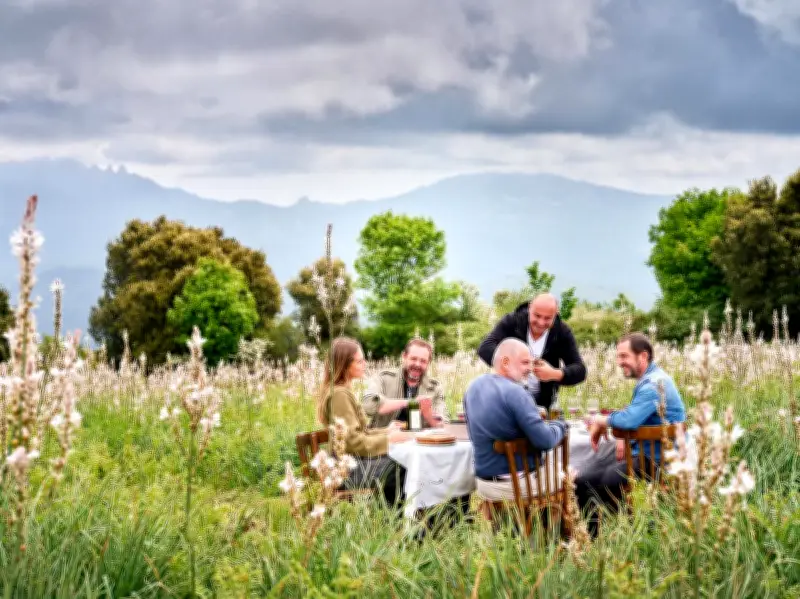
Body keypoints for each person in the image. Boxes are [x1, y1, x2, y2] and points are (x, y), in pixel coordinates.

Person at [576, 332, 686, 530]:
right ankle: (616, 528)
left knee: (586, 481)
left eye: (624, 356)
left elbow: (629, 420)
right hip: (654, 455)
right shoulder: (655, 379)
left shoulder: (653, 385)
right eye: (618, 356)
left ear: (643, 356)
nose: (619, 362)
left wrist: (601, 420)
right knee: (594, 470)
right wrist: (618, 431)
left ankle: (595, 538)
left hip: (656, 461)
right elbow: (633, 417)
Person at [464, 337, 568, 502]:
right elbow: (546, 441)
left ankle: (512, 524)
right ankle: (554, 527)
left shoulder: (473, 386)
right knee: (571, 475)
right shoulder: (516, 392)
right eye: (525, 363)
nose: (531, 369)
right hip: (515, 485)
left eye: (532, 363)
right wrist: (561, 425)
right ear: (505, 362)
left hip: (484, 484)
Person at [316, 337, 414, 508]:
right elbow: (352, 442)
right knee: (402, 465)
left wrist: (387, 431)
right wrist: (389, 440)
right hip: (347, 471)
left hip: (352, 464)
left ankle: (402, 518)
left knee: (404, 459)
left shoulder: (343, 391)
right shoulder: (339, 395)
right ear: (345, 364)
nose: (365, 364)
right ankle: (395, 522)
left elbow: (359, 432)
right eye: (360, 361)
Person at [478, 293, 586, 410]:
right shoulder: (512, 321)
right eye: (537, 316)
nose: (541, 322)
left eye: (548, 318)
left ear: (556, 314)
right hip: (507, 397)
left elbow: (580, 369)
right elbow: (485, 348)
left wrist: (554, 374)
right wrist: (514, 365)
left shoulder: (562, 332)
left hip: (543, 405)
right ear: (530, 308)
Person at [362, 338, 447, 429]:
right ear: (404, 357)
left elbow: (442, 426)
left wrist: (428, 413)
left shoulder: (435, 387)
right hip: (385, 440)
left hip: (420, 441)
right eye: (413, 359)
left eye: (423, 361)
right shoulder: (383, 378)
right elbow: (369, 406)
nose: (418, 364)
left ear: (428, 363)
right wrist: (411, 402)